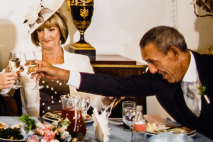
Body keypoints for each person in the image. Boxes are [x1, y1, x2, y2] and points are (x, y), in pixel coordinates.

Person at [35, 26, 213, 138]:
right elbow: (115, 85)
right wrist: (61, 74)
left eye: (154, 62)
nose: (150, 69)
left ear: (174, 53)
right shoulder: (158, 78)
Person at [0, 0, 105, 117]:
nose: (45, 36)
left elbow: (94, 100)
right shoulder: (25, 59)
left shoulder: (81, 62)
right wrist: (7, 77)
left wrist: (107, 100)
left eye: (51, 29)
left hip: (73, 127)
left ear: (61, 31)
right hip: (36, 128)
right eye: (40, 30)